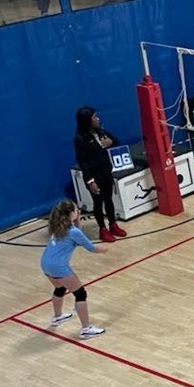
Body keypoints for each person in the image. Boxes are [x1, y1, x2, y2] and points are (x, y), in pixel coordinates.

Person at [40, 199, 107, 339]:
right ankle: (86, 329)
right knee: (80, 294)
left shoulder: (58, 226)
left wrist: (77, 221)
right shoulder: (73, 232)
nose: (78, 211)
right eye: (76, 210)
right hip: (59, 266)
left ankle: (57, 317)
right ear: (71, 213)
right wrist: (104, 249)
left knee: (60, 288)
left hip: (46, 263)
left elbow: (75, 233)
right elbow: (91, 248)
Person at [73, 107, 128, 243]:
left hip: (106, 172)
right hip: (94, 176)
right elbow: (83, 162)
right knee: (98, 202)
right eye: (94, 117)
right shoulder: (80, 139)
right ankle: (103, 230)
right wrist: (90, 181)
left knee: (109, 199)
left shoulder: (101, 132)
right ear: (87, 121)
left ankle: (113, 225)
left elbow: (116, 141)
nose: (97, 119)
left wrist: (111, 142)